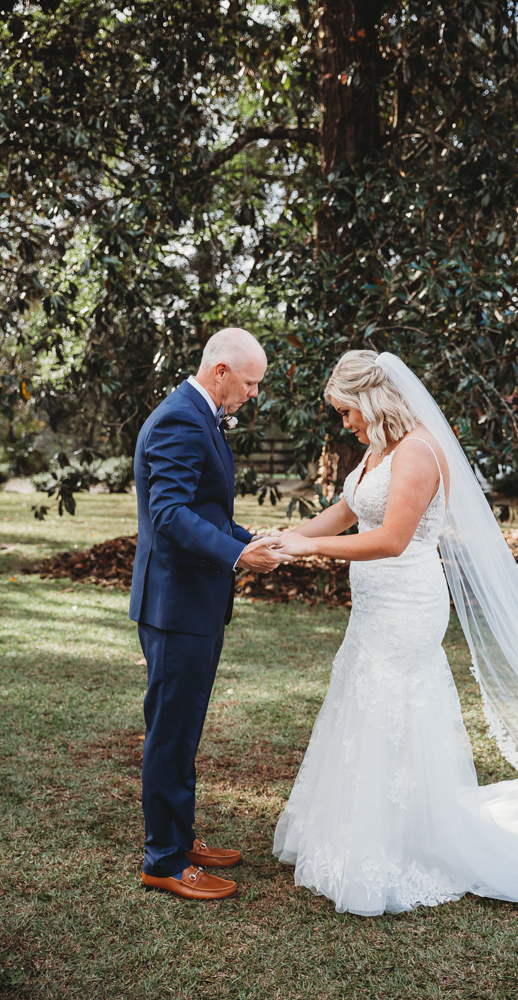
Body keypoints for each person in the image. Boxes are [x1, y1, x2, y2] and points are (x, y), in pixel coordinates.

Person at [273, 349, 518, 917]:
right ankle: (366, 829)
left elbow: (392, 539)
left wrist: (311, 550)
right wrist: (285, 539)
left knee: (393, 704)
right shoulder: (378, 449)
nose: (345, 423)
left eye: (345, 411)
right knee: (362, 700)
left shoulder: (419, 452)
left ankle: (406, 842)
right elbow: (343, 512)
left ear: (370, 399)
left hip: (408, 602)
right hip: (374, 606)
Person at [130, 328, 289, 900]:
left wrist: (251, 538)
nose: (252, 394)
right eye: (249, 383)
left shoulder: (200, 414)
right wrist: (238, 555)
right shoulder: (179, 419)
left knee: (184, 725)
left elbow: (205, 509)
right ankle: (164, 861)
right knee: (170, 732)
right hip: (174, 606)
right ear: (220, 370)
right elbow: (169, 513)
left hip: (195, 601)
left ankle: (180, 836)